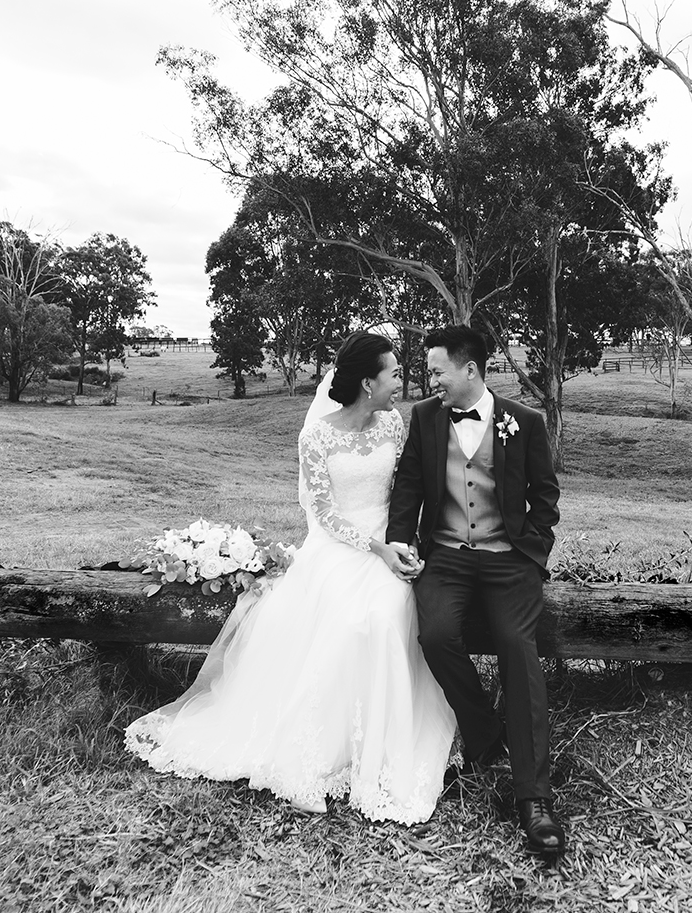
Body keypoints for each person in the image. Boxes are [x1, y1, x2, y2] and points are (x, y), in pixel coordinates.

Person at [124, 332, 455, 824]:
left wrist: (402, 544)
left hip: (389, 542)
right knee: (344, 624)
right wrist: (376, 548)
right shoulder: (316, 436)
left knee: (387, 616)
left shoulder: (393, 424)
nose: (400, 382)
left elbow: (404, 491)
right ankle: (322, 752)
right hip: (339, 547)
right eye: (393, 373)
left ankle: (389, 739)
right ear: (368, 382)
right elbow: (321, 513)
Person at [386, 324, 566, 862]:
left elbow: (546, 497)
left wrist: (531, 554)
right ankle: (485, 732)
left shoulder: (525, 422)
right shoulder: (423, 418)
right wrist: (398, 542)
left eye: (437, 370)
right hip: (445, 558)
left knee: (517, 646)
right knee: (436, 634)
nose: (430, 380)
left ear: (470, 370)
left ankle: (534, 798)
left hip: (508, 561)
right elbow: (411, 486)